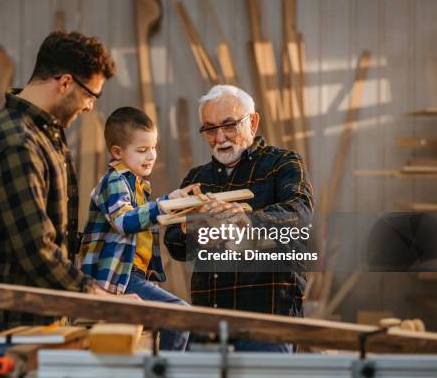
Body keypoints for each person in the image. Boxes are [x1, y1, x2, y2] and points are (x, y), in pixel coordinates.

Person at [0, 31, 116, 332]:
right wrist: (102, 300)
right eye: (90, 96)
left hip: (39, 322)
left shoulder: (41, 131)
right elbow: (37, 251)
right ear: (65, 83)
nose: (89, 107)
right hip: (12, 330)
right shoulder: (16, 143)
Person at [164, 85, 314, 352]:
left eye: (229, 125)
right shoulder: (197, 179)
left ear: (253, 122)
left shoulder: (283, 164)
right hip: (209, 321)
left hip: (267, 319)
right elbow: (175, 243)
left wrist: (249, 220)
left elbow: (300, 213)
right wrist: (201, 235)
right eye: (209, 129)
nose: (220, 137)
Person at [80, 107, 197, 351]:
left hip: (133, 276)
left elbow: (144, 215)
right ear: (117, 152)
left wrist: (173, 201)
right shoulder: (114, 181)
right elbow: (124, 222)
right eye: (142, 150)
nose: (151, 155)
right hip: (116, 279)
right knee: (179, 315)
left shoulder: (137, 184)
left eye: (154, 147)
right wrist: (164, 206)